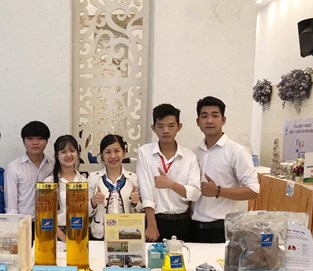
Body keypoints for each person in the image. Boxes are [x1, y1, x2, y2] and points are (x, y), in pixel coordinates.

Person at [191, 96, 259, 243]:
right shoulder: (194, 153)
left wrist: (218, 191)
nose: (209, 121)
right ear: (198, 122)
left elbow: (254, 190)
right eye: (204, 116)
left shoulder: (237, 151)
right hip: (193, 227)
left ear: (223, 120)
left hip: (222, 228)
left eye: (215, 115)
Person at [137, 104, 201, 242]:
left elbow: (195, 193)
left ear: (179, 126)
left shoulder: (189, 156)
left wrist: (170, 184)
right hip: (155, 221)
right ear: (153, 128)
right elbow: (145, 190)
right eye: (160, 126)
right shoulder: (145, 152)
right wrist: (152, 225)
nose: (166, 130)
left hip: (183, 221)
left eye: (171, 126)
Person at [88, 134, 141, 239]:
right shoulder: (93, 178)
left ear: (124, 153)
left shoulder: (133, 179)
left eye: (117, 151)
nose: (113, 156)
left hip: (126, 235)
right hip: (100, 235)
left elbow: (140, 212)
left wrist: (135, 204)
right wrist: (93, 202)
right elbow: (86, 213)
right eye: (108, 152)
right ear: (102, 155)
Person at [4, 121, 54, 218]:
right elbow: (11, 208)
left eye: (40, 138)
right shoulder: (13, 168)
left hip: (49, 221)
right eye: (30, 139)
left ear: (47, 141)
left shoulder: (53, 165)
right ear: (23, 141)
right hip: (24, 222)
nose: (35, 143)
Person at [44, 135, 87, 241]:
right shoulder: (49, 183)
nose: (68, 155)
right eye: (63, 152)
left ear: (78, 153)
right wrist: (64, 238)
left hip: (81, 234)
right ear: (57, 155)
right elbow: (47, 216)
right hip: (57, 237)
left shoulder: (84, 181)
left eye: (72, 150)